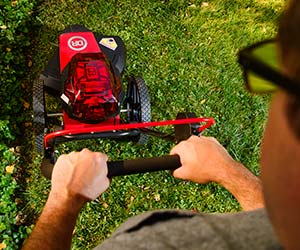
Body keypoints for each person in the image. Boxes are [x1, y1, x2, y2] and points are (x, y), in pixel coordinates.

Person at [22, 0, 300, 249]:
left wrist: (63, 199)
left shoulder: (150, 242)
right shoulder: (286, 225)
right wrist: (229, 172)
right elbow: (277, 221)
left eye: (270, 73)